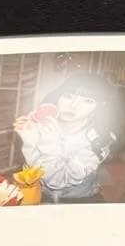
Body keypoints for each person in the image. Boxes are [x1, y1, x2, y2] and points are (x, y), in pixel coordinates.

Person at [13, 71, 116, 203]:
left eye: (88, 101)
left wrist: (49, 142)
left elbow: (57, 181)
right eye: (68, 96)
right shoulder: (47, 125)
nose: (73, 106)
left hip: (79, 202)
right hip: (38, 195)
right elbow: (34, 168)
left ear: (99, 107)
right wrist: (30, 137)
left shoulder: (100, 139)